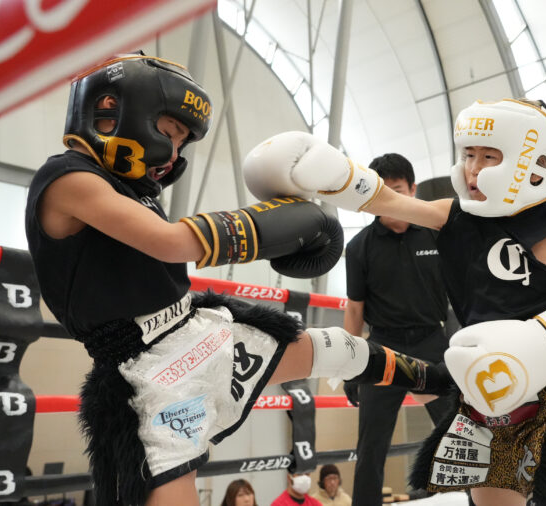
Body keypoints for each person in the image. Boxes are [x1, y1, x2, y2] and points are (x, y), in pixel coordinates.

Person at [24, 52, 451, 506]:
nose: (173, 152)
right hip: (146, 376)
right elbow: (170, 243)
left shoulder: (128, 190)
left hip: (193, 330)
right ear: (113, 110)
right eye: (170, 132)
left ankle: (442, 381)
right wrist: (274, 222)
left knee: (337, 348)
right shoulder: (67, 177)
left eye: (182, 141)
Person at [242, 98, 546, 506]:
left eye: (489, 157)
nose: (473, 169)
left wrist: (526, 347)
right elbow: (390, 203)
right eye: (469, 155)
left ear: (531, 162)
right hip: (481, 392)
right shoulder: (454, 216)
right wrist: (335, 176)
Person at [342, 153, 452, 505]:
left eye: (397, 190)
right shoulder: (359, 247)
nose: (389, 199)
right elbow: (355, 308)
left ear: (413, 190)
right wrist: (350, 366)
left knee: (462, 434)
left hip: (433, 342)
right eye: (382, 191)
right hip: (383, 348)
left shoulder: (436, 233)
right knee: (371, 446)